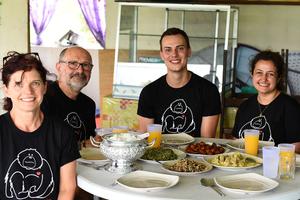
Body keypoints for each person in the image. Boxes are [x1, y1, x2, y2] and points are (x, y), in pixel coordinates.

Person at [0, 52, 80, 199]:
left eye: (35, 83)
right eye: (18, 84)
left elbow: (67, 189)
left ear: (44, 87)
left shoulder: (63, 133)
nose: (28, 91)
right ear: (6, 90)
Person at [137, 27, 221, 138]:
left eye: (180, 48)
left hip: (195, 153)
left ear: (189, 51)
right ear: (162, 54)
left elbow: (206, 141)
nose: (174, 54)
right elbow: (145, 137)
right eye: (168, 49)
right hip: (158, 152)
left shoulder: (209, 91)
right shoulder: (149, 92)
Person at [232, 50, 300, 153]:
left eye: (270, 74)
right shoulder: (244, 106)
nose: (264, 79)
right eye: (259, 72)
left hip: (274, 166)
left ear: (278, 78)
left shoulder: (290, 107)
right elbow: (235, 141)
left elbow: (297, 147)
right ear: (252, 74)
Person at [41, 46, 97, 145]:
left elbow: (90, 143)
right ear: (59, 67)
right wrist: (84, 144)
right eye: (73, 63)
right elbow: (41, 145)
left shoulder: (89, 104)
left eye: (85, 65)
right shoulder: (43, 99)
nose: (80, 71)